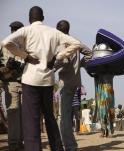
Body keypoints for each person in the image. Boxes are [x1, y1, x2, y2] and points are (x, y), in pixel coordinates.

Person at [2, 6, 88, 151]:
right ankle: (57, 148)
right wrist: (57, 57)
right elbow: (76, 44)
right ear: (43, 17)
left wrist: (25, 56)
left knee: (32, 120)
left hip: (30, 80)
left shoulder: (26, 30)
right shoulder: (53, 32)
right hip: (47, 80)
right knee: (50, 118)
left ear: (30, 18)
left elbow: (6, 43)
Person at [54, 20, 92, 151]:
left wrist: (51, 67)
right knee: (66, 115)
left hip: (65, 82)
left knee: (63, 117)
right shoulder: (76, 40)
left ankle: (70, 146)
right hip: (75, 81)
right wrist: (80, 65)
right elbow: (89, 53)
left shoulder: (62, 43)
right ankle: (69, 145)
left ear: (59, 30)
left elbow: (63, 61)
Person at [0, 21, 24, 151]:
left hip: (26, 82)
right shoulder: (4, 44)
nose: (14, 32)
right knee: (14, 113)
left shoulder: (25, 45)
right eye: (13, 30)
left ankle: (20, 142)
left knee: (22, 115)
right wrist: (5, 68)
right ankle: (14, 144)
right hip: (11, 83)